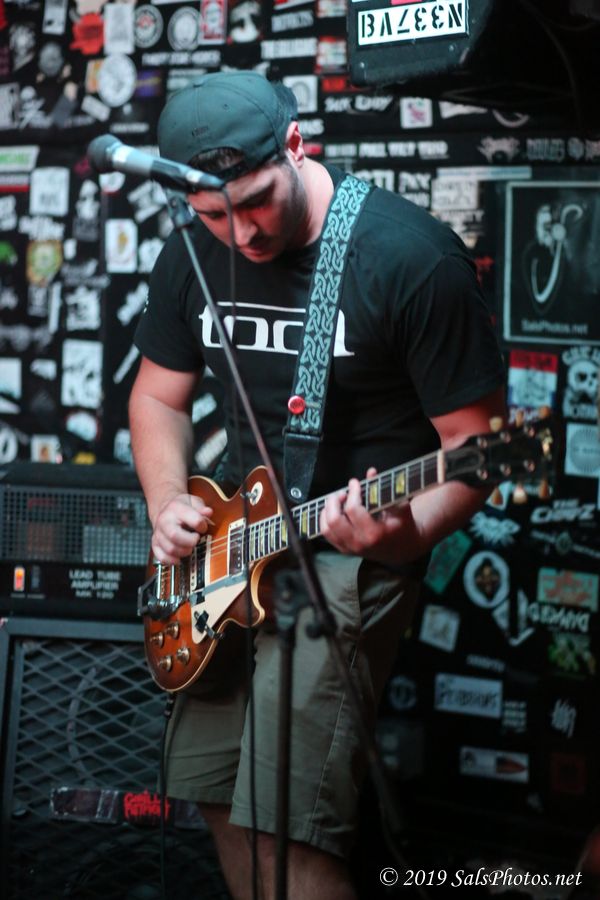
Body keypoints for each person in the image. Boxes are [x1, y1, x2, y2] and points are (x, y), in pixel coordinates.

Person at [128, 70, 507, 900]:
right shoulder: (192, 252)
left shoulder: (411, 259)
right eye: (214, 214)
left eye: (255, 202)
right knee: (216, 797)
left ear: (296, 146)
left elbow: (477, 452)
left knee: (286, 822)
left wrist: (405, 534)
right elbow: (157, 397)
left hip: (349, 557)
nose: (241, 233)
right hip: (234, 546)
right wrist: (166, 501)